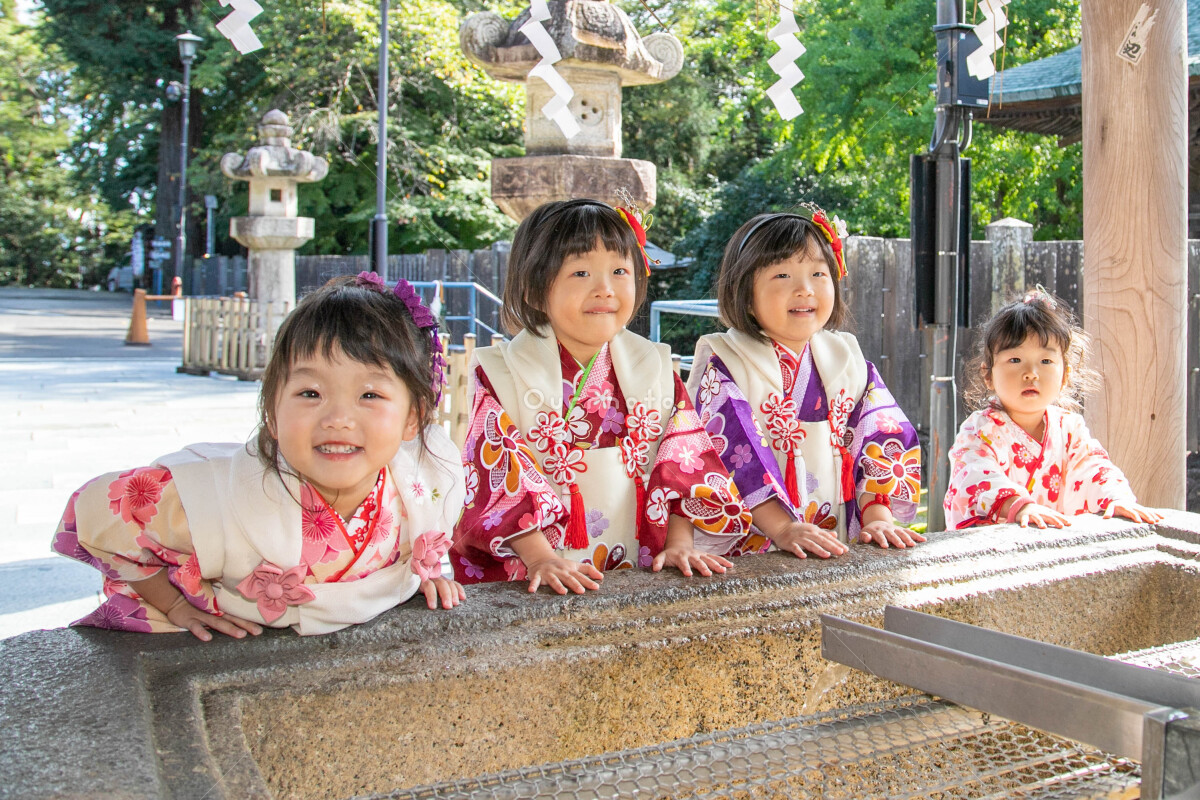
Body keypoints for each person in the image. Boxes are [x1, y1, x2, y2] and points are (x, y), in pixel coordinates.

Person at [51, 274, 467, 639]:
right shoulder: (218, 499)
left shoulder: (427, 484)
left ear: (413, 417)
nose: (338, 419)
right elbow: (97, 513)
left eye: (370, 395)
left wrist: (421, 577)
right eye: (310, 393)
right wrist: (175, 605)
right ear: (272, 412)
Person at [452, 198, 753, 593]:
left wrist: (681, 543)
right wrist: (540, 557)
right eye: (580, 272)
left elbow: (683, 462)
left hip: (639, 559)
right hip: (535, 566)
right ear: (532, 289)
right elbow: (498, 474)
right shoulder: (499, 372)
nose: (605, 289)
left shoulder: (655, 365)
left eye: (619, 270)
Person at [688, 205, 925, 556]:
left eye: (818, 273)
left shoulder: (847, 358)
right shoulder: (726, 361)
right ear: (745, 293)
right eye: (782, 276)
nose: (804, 289)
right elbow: (731, 454)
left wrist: (877, 517)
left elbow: (879, 436)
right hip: (753, 547)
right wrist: (782, 528)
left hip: (835, 535)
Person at [944, 288, 1162, 529]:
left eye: (1046, 361)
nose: (1031, 373)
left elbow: (1092, 466)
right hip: (998, 545)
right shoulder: (979, 430)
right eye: (1015, 360)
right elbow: (975, 473)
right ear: (988, 375)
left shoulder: (1069, 428)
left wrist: (1116, 497)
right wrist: (1018, 505)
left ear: (1065, 375)